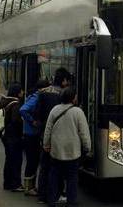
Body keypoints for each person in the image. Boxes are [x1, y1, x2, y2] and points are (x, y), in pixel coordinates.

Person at [43, 86, 91, 207]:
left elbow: (48, 130)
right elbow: (84, 132)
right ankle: (71, 201)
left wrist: (46, 145)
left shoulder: (54, 110)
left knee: (54, 176)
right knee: (72, 177)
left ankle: (51, 201)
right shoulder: (78, 112)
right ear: (74, 98)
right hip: (72, 151)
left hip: (56, 150)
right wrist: (87, 148)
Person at [35, 67, 71, 204]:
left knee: (45, 166)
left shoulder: (43, 92)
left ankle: (42, 195)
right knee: (59, 166)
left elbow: (37, 112)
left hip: (45, 132)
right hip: (60, 134)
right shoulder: (64, 94)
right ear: (64, 80)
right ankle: (57, 194)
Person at [19, 78, 50, 196]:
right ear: (40, 89)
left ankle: (32, 186)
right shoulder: (36, 98)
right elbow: (23, 110)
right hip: (31, 134)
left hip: (32, 133)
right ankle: (28, 188)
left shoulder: (37, 97)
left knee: (35, 160)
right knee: (32, 161)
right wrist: (32, 121)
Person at [0, 83, 25, 192]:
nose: (23, 93)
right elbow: (15, 120)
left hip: (5, 135)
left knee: (9, 160)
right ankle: (16, 184)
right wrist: (22, 121)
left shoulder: (3, 102)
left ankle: (7, 183)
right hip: (14, 136)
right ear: (18, 92)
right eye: (21, 91)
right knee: (16, 160)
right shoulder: (15, 104)